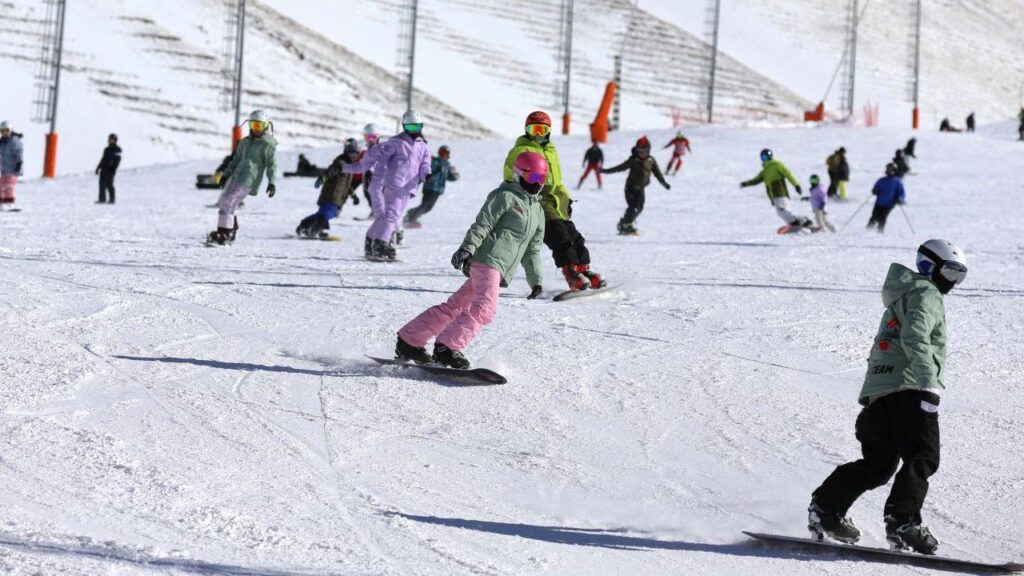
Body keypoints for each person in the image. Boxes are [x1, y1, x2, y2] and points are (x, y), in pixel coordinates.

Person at [808, 239, 968, 556]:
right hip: (911, 389)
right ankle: (903, 522)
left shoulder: (900, 297)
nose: (952, 282)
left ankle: (826, 509)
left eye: (959, 276)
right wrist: (927, 383)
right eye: (949, 272)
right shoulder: (927, 293)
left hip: (881, 394)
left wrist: (874, 397)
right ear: (928, 266)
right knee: (923, 455)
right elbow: (914, 336)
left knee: (878, 465)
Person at [394, 151, 546, 369]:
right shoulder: (504, 196)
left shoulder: (538, 211)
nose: (537, 184)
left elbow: (533, 248)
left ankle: (410, 340)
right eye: (533, 178)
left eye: (542, 179)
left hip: (498, 268)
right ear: (519, 174)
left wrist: (536, 279)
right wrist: (467, 248)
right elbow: (483, 224)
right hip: (488, 259)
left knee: (456, 307)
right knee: (485, 307)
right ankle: (448, 347)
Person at [503, 110, 605, 291]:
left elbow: (557, 181)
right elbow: (509, 175)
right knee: (559, 236)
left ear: (549, 130)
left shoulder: (551, 149)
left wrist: (566, 200)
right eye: (534, 130)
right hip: (537, 199)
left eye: (542, 130)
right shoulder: (521, 150)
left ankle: (583, 269)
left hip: (557, 201)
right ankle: (571, 274)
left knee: (575, 236)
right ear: (526, 130)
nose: (538, 135)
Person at [343, 110, 430, 261]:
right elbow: (382, 160)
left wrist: (427, 175)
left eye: (416, 128)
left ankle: (371, 240)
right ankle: (381, 243)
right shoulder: (396, 142)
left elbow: (425, 164)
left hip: (409, 187)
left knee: (386, 217)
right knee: (392, 216)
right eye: (410, 128)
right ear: (404, 127)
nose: (413, 131)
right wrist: (374, 173)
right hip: (395, 183)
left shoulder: (423, 146)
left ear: (421, 127)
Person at [206, 110, 278, 245]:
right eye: (253, 125)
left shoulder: (268, 145)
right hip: (237, 176)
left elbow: (272, 166)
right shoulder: (245, 142)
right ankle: (227, 230)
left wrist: (272, 182)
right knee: (225, 201)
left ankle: (226, 233)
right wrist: (225, 175)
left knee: (229, 201)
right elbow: (235, 160)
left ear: (266, 126)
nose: (256, 129)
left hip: (249, 179)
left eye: (259, 126)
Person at [600, 136, 670, 235]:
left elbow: (657, 172)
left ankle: (624, 223)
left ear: (649, 150)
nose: (641, 154)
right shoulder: (633, 159)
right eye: (639, 151)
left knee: (639, 207)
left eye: (644, 151)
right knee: (634, 207)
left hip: (641, 189)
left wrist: (663, 183)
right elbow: (620, 167)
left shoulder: (651, 160)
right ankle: (626, 225)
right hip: (630, 188)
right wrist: (605, 171)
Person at [296, 138, 361, 239]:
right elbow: (330, 171)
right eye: (351, 154)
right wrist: (322, 179)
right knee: (328, 213)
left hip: (337, 197)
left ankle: (304, 225)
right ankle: (315, 230)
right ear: (346, 153)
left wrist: (354, 196)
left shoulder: (350, 167)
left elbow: (347, 186)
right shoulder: (341, 163)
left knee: (323, 213)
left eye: (356, 154)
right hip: (331, 194)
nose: (354, 156)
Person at [740, 148, 812, 228]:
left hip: (780, 192)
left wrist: (796, 185)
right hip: (774, 195)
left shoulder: (777, 165)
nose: (764, 159)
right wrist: (746, 184)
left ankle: (800, 221)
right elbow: (756, 180)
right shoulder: (764, 171)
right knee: (783, 212)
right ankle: (799, 222)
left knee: (783, 211)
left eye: (766, 157)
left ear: (770, 156)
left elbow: (788, 174)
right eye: (762, 157)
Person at [405, 145, 459, 228]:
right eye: (442, 153)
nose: (443, 155)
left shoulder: (447, 165)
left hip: (438, 190)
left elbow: (448, 176)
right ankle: (412, 219)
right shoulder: (434, 161)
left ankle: (410, 214)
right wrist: (436, 169)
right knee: (425, 205)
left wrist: (455, 175)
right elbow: (428, 171)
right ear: (439, 153)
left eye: (445, 153)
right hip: (430, 187)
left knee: (428, 208)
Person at [866, 164, 905, 233]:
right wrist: (875, 191)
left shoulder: (897, 182)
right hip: (879, 202)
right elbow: (876, 188)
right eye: (888, 170)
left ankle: (880, 231)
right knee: (874, 216)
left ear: (894, 171)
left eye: (891, 170)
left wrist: (900, 199)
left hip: (889, 204)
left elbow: (901, 192)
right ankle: (868, 230)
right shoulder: (881, 180)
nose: (890, 171)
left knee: (882, 217)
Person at [0, 120, 24, 211]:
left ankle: (9, 203)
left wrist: (19, 163)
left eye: (5, 131)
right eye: (1, 131)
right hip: (5, 169)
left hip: (14, 169)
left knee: (9, 186)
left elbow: (19, 152)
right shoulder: (2, 141)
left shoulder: (14, 141)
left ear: (10, 130)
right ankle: (2, 202)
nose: (4, 133)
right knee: (1, 185)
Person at [95, 133, 122, 204]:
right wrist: (98, 167)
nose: (110, 140)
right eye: (109, 139)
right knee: (101, 184)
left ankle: (112, 199)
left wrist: (113, 169)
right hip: (104, 169)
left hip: (110, 170)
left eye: (111, 139)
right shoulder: (106, 149)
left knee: (109, 184)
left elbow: (117, 161)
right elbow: (103, 159)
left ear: (115, 140)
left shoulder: (117, 150)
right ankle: (102, 199)